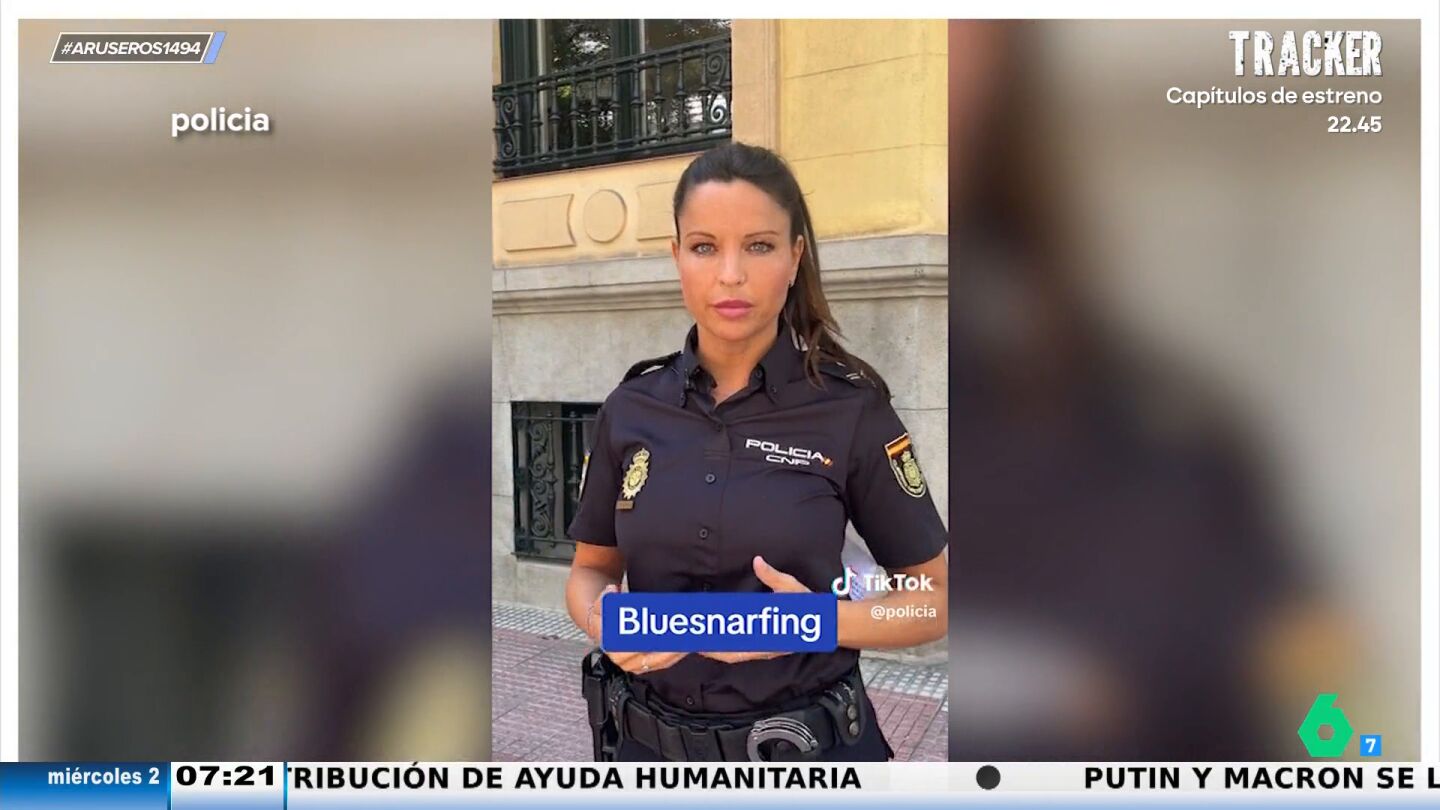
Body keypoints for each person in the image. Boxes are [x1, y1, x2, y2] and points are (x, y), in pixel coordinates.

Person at [564, 142, 949, 762]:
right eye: (704, 247)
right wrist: (600, 620)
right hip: (644, 752)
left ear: (795, 257)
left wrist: (813, 622)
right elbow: (591, 570)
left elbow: (934, 598)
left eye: (760, 246)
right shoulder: (630, 407)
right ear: (677, 256)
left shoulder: (852, 411)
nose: (730, 274)